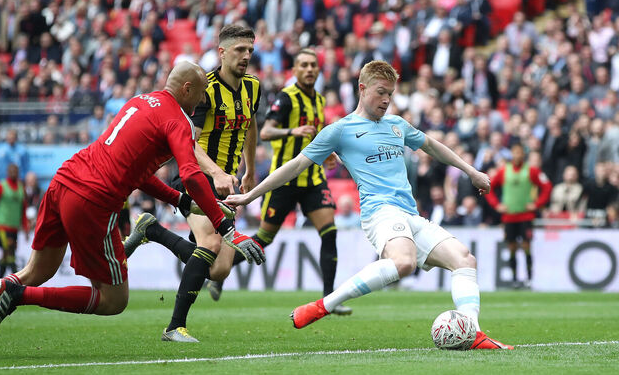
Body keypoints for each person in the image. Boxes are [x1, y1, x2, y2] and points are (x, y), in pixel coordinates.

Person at [0, 62, 264, 358]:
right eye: (202, 93)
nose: (203, 101)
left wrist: (177, 200)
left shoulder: (138, 102)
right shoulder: (177, 118)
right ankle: (18, 295)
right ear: (187, 88)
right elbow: (191, 173)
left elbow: (136, 172)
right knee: (114, 300)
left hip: (64, 180)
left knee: (35, 271)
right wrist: (227, 228)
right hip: (93, 199)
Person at [226, 61, 512, 350]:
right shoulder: (339, 131)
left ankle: (472, 332)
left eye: (391, 93)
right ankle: (324, 305)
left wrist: (472, 171)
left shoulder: (397, 125)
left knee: (465, 260)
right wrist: (251, 196)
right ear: (362, 89)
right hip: (379, 212)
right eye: (381, 92)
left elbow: (433, 146)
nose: (387, 100)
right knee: (404, 262)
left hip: (409, 213)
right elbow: (295, 166)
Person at [124, 24, 262, 343]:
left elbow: (251, 123)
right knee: (211, 246)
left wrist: (250, 169)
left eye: (250, 51)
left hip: (227, 184)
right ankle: (175, 327)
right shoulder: (205, 89)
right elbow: (189, 143)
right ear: (222, 52)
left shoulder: (254, 86)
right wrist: (215, 172)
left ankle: (153, 230)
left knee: (220, 269)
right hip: (198, 178)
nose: (246, 56)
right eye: (240, 50)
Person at [215, 48, 349, 312]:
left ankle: (329, 300)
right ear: (295, 70)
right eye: (304, 65)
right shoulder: (286, 98)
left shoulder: (320, 100)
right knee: (265, 237)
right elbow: (265, 131)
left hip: (312, 180)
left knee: (330, 233)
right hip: (284, 181)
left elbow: (315, 137)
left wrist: (327, 153)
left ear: (318, 70)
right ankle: (222, 269)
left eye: (313, 65)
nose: (309, 69)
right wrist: (293, 130)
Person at [485, 143, 552, 289]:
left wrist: (537, 203)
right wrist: (497, 205)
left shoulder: (532, 171)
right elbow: (488, 186)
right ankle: (515, 279)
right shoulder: (504, 171)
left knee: (527, 246)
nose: (517, 156)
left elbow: (546, 186)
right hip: (509, 217)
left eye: (520, 153)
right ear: (511, 154)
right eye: (515, 153)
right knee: (512, 247)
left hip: (526, 216)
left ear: (524, 155)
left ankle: (529, 278)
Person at [0, 163, 28, 280]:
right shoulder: (0, 187)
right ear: (7, 173)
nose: (14, 173)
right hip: (2, 226)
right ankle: (18, 281)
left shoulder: (21, 188)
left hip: (14, 227)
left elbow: (23, 210)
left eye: (16, 171)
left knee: (7, 255)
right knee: (9, 252)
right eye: (11, 171)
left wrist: (26, 228)